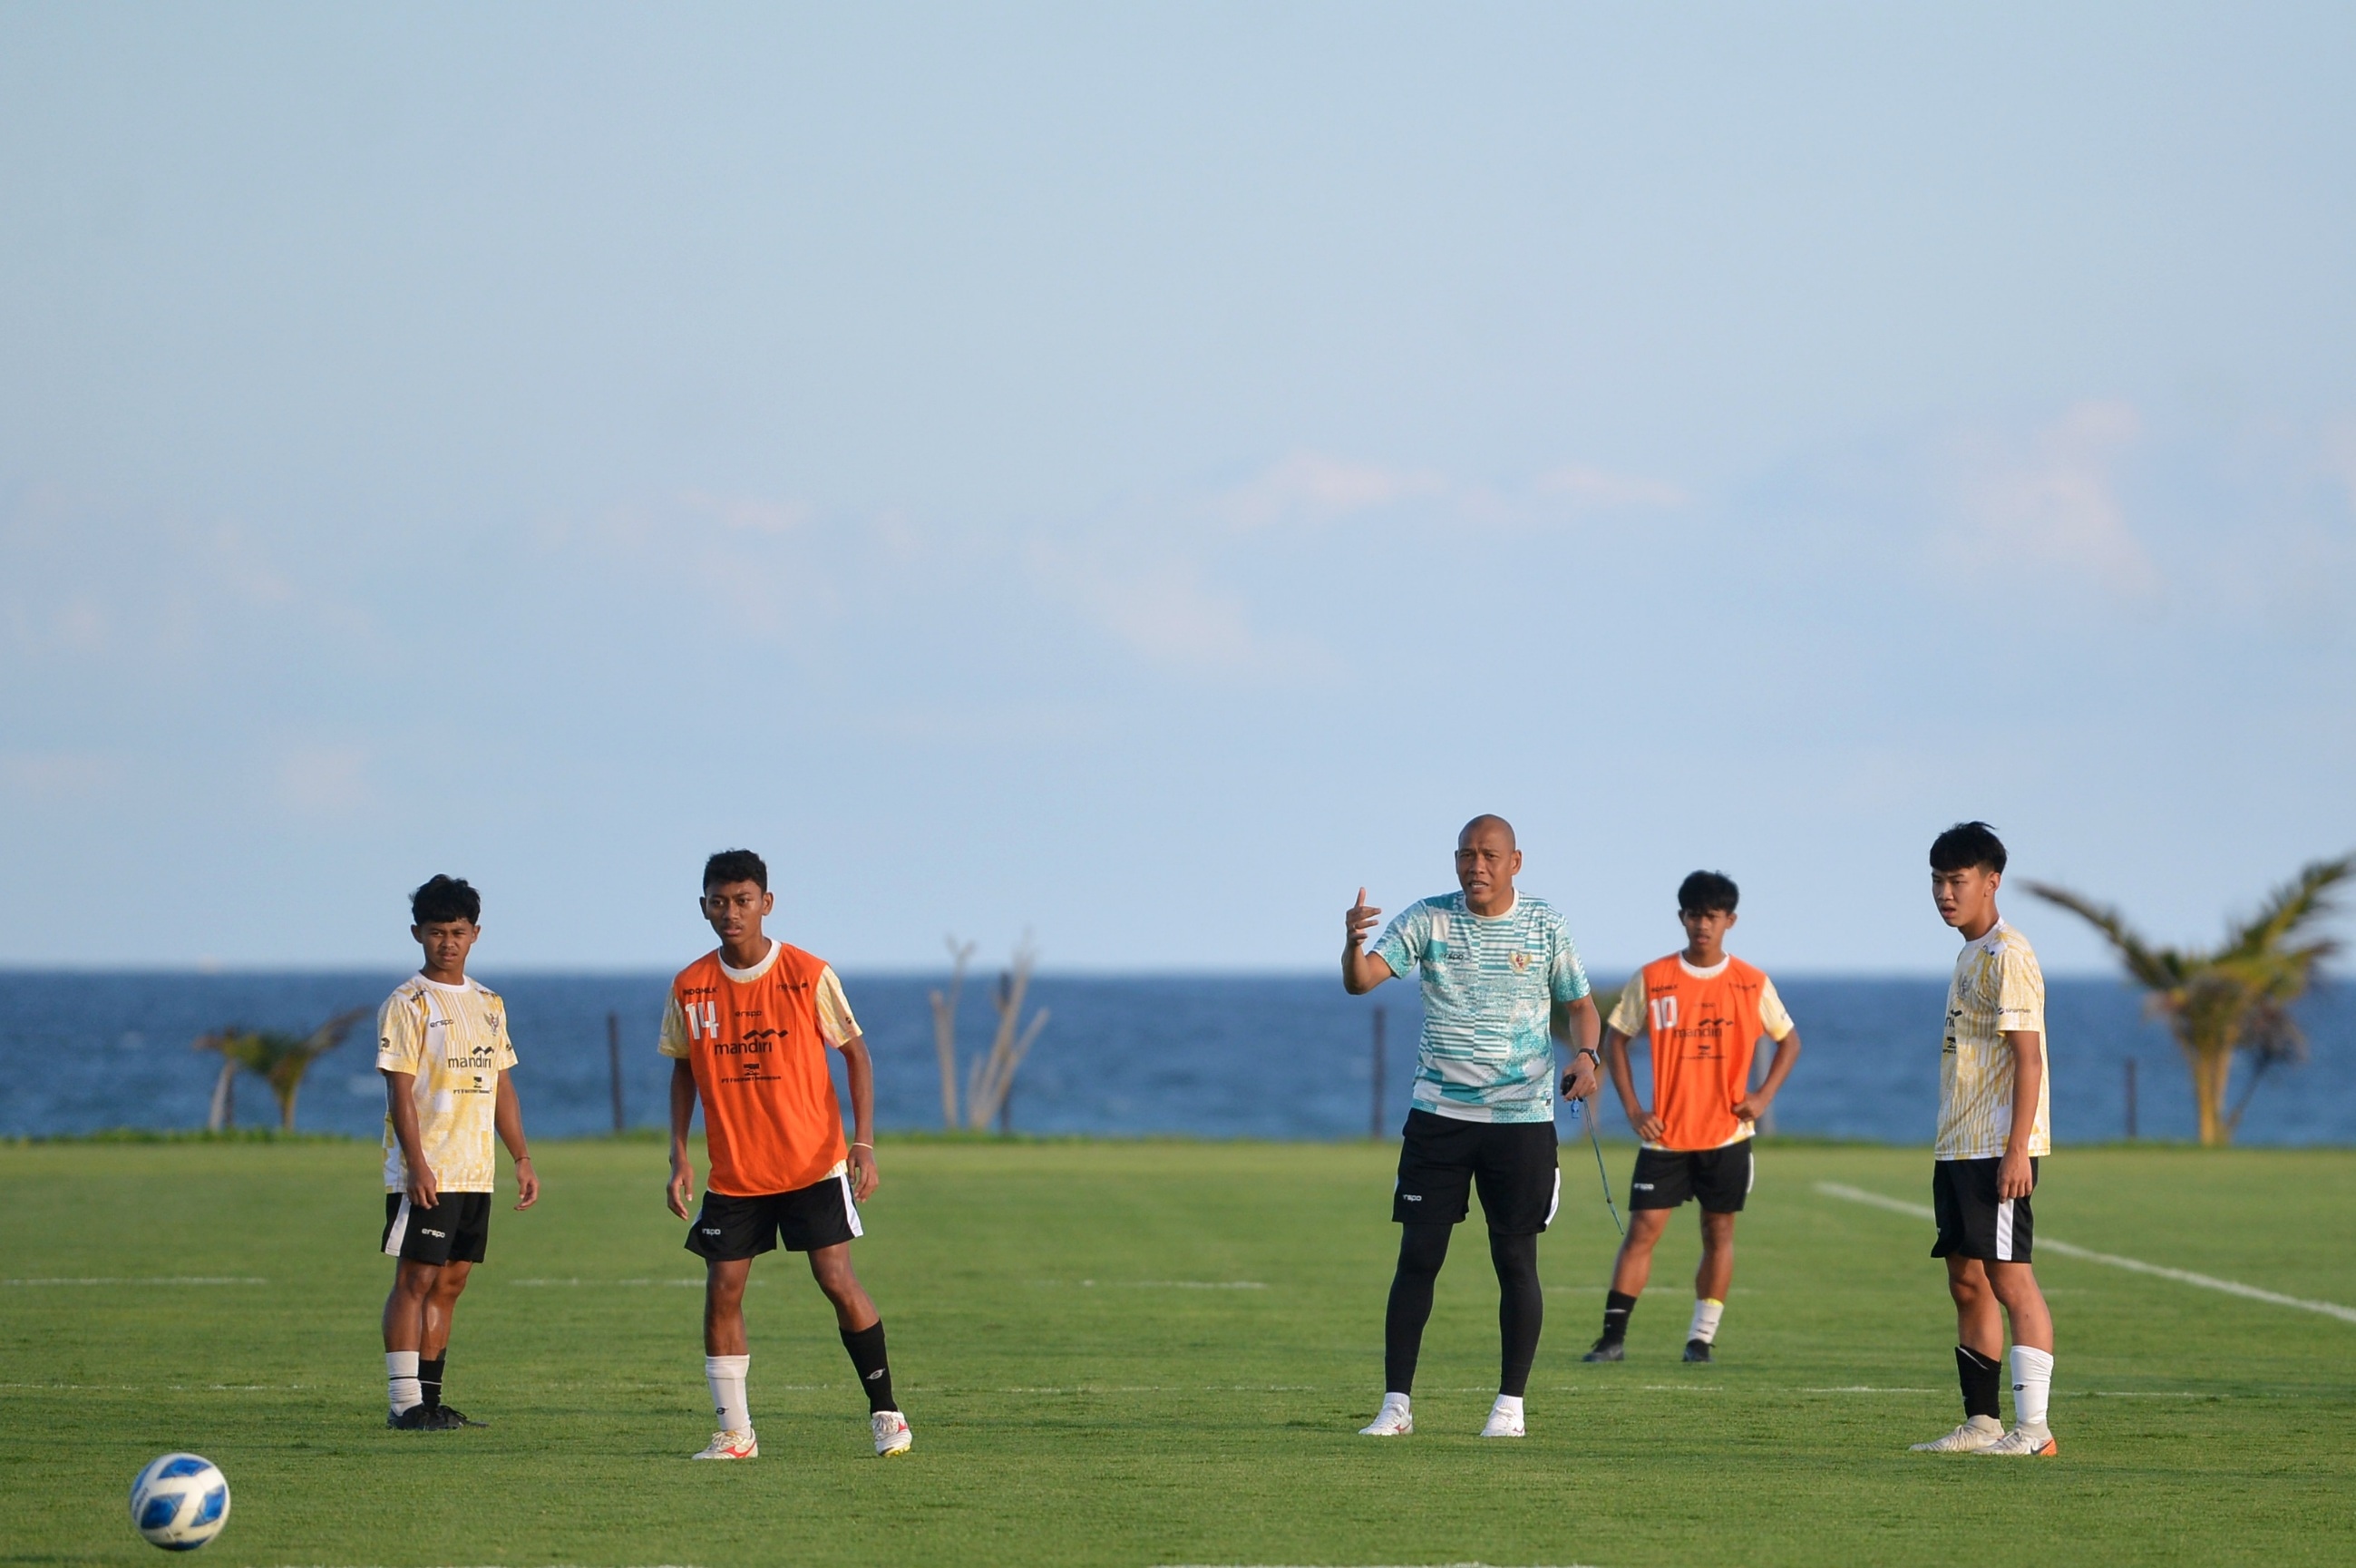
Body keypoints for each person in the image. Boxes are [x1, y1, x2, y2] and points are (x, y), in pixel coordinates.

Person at [1343, 814, 1602, 1439]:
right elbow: (1362, 981)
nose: (1475, 866)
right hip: (1439, 1115)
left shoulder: (1545, 924)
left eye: (1488, 855)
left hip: (1520, 1119)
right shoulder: (1427, 918)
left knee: (1514, 1258)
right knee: (1418, 1257)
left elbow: (1582, 1006)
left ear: (1516, 861)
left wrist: (1587, 1057)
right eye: (1465, 855)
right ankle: (1395, 1405)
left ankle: (1509, 1406)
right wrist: (1352, 942)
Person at [663, 848, 911, 1460]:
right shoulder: (690, 985)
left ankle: (887, 1413)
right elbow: (683, 1069)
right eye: (718, 901)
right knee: (723, 1287)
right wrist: (678, 1156)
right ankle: (735, 1433)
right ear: (703, 906)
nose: (731, 912)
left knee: (835, 1278)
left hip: (810, 1162)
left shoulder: (807, 972)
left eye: (743, 900)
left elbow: (856, 1053)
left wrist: (863, 1143)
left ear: (766, 903)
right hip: (736, 1172)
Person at [1582, 870, 1801, 1365]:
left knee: (1718, 1234)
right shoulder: (1655, 978)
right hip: (1666, 1138)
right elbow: (1616, 1037)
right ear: (1682, 918)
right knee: (1642, 1231)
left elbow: (1789, 1040)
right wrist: (1634, 1109)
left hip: (1726, 1137)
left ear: (1730, 920)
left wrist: (1762, 1097)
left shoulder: (1750, 982)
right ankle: (1611, 1339)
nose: (1703, 925)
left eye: (1713, 916)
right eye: (1695, 915)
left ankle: (1700, 1339)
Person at [1910, 822, 2059, 1457]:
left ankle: (2035, 1430)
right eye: (1938, 881)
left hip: (1996, 1147)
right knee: (1965, 1280)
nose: (1946, 893)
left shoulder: (2008, 954)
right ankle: (1983, 1422)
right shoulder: (1969, 953)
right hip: (1958, 1146)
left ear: (1991, 881)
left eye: (1958, 880)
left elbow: (2029, 1060)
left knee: (2011, 1279)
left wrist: (2018, 1147)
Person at [377, 874, 539, 1431]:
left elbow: (502, 1087)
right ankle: (403, 1405)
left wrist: (519, 1156)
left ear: (475, 934)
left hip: (476, 1170)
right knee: (415, 1280)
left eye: (458, 931)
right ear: (418, 933)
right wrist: (417, 1163)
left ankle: (430, 1400)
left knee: (451, 1282)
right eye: (437, 931)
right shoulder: (408, 1002)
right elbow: (399, 1089)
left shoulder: (490, 1004)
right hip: (428, 1169)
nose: (448, 941)